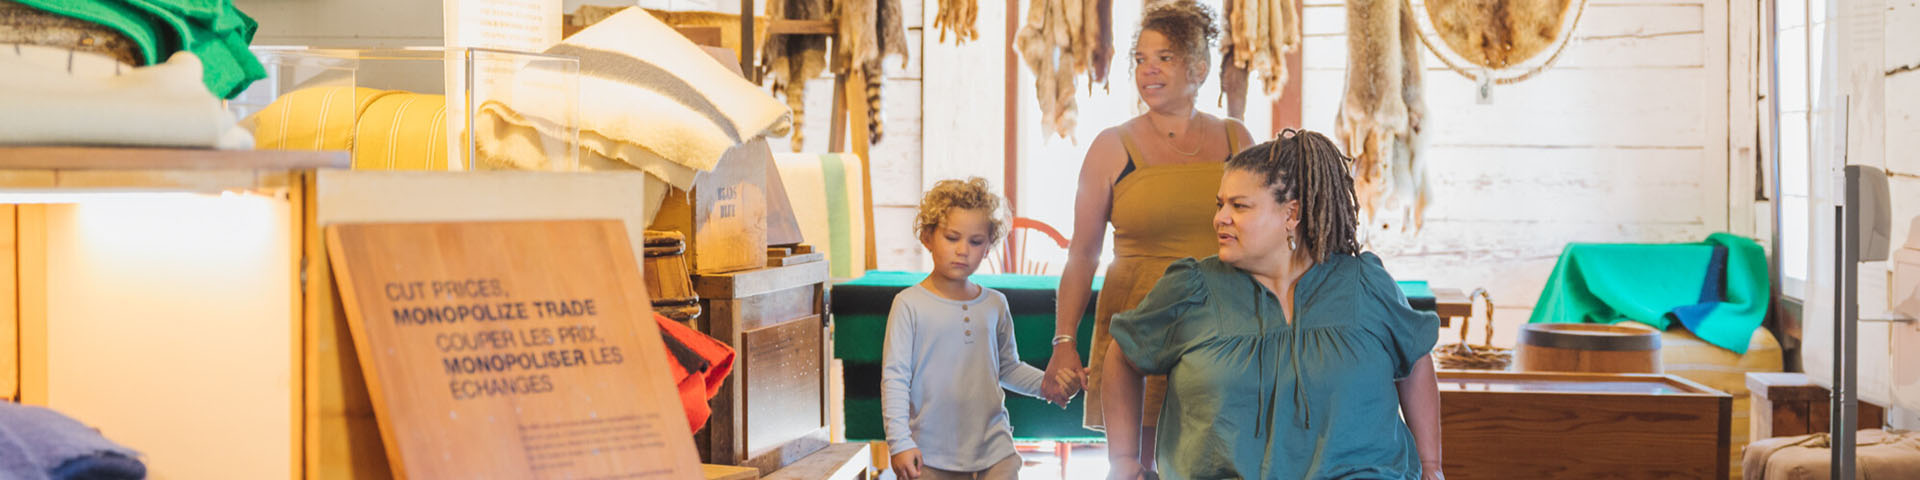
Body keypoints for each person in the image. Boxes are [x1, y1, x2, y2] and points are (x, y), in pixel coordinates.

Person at [1102, 130, 1445, 479]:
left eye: (1239, 205)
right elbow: (1123, 356)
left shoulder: (1364, 285)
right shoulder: (1191, 289)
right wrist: (1123, 461)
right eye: (1220, 204)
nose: (1221, 217)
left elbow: (1415, 357)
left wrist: (1432, 466)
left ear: (1291, 214)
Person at [1040, 0, 1256, 468]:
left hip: (1225, 332)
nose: (1148, 70)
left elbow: (1267, 243)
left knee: (1222, 463)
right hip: (1139, 331)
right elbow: (1081, 256)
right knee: (1138, 466)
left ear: (1198, 68)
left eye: (1164, 58)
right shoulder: (1112, 146)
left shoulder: (1238, 140)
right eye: (1140, 59)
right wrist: (1063, 343)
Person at [882, 178, 1060, 480]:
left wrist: (1047, 386)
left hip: (995, 450)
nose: (963, 250)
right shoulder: (908, 304)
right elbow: (895, 378)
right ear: (927, 237)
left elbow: (1007, 368)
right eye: (952, 238)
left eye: (976, 242)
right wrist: (900, 442)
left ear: (988, 247)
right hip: (931, 455)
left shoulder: (995, 304)